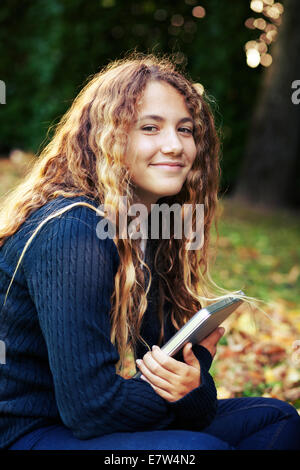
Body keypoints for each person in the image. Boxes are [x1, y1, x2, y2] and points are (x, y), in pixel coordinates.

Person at [0, 53, 299, 451]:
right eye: (150, 128)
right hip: (25, 433)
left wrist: (192, 382)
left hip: (74, 425)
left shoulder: (149, 226)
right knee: (199, 452)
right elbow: (92, 410)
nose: (174, 145)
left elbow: (175, 378)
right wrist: (175, 393)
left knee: (275, 419)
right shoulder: (72, 230)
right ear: (107, 136)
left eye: (185, 129)